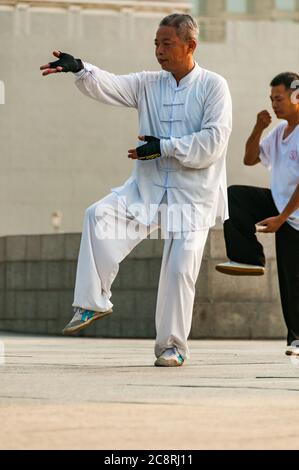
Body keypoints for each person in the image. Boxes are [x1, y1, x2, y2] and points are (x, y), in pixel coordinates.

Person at [40, 13, 232, 367]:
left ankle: (172, 346)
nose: (159, 51)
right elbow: (111, 85)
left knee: (179, 271)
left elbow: (214, 142)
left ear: (190, 45)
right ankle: (93, 302)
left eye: (167, 44)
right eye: (156, 44)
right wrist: (81, 68)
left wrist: (166, 147)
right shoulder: (147, 84)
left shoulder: (213, 86)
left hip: (193, 199)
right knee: (98, 216)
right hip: (148, 191)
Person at [216, 72, 299, 357]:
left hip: (294, 214)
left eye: (279, 98)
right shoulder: (279, 132)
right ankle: (248, 257)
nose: (274, 104)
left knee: (292, 280)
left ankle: (297, 339)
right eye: (271, 99)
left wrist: (281, 218)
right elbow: (249, 159)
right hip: (280, 206)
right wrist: (258, 127)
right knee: (234, 195)